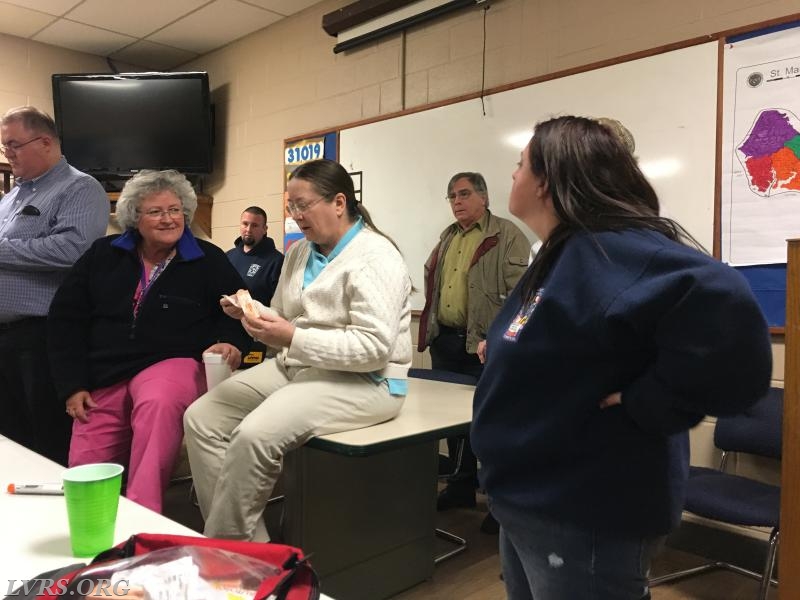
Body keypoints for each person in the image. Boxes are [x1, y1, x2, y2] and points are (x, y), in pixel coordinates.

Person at [471, 115, 772, 600]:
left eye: (521, 164)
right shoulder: (563, 251)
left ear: (548, 181)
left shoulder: (613, 252)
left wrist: (650, 402)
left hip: (582, 510)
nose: (512, 174)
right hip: (527, 499)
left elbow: (727, 314)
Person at [184, 159, 412, 541]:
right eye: (291, 206)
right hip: (301, 365)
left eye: (303, 205)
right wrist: (252, 313)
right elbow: (287, 317)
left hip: (369, 381)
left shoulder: (376, 257)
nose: (295, 216)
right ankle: (247, 544)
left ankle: (230, 555)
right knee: (202, 418)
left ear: (339, 203)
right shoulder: (299, 253)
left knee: (254, 435)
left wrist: (292, 337)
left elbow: (373, 349)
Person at [47, 169, 250, 513]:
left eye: (175, 210)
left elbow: (240, 310)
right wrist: (72, 385)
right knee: (86, 466)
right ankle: (92, 534)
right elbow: (66, 320)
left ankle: (144, 518)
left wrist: (230, 341)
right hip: (107, 372)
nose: (168, 219)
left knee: (158, 404)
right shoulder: (103, 254)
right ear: (134, 218)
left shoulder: (208, 258)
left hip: (172, 362)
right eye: (155, 211)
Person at [417, 171, 529, 533]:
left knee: (492, 424)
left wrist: (498, 336)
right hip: (447, 341)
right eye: (451, 196)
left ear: (483, 196)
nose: (456, 202)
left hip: (485, 346)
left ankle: (500, 502)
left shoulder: (507, 236)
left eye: (463, 194)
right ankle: (461, 487)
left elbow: (522, 296)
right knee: (452, 423)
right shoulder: (447, 237)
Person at [0, 106, 108, 465]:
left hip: (42, 337)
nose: (7, 153)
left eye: (13, 144)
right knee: (11, 440)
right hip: (6, 339)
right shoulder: (10, 199)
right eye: (4, 146)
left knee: (47, 440)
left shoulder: (80, 187)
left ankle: (63, 517)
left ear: (44, 142)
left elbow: (74, 249)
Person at [226, 206, 284, 367]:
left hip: (258, 341)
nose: (248, 229)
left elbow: (280, 307)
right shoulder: (228, 256)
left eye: (255, 225)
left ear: (265, 229)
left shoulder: (276, 261)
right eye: (245, 224)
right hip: (228, 337)